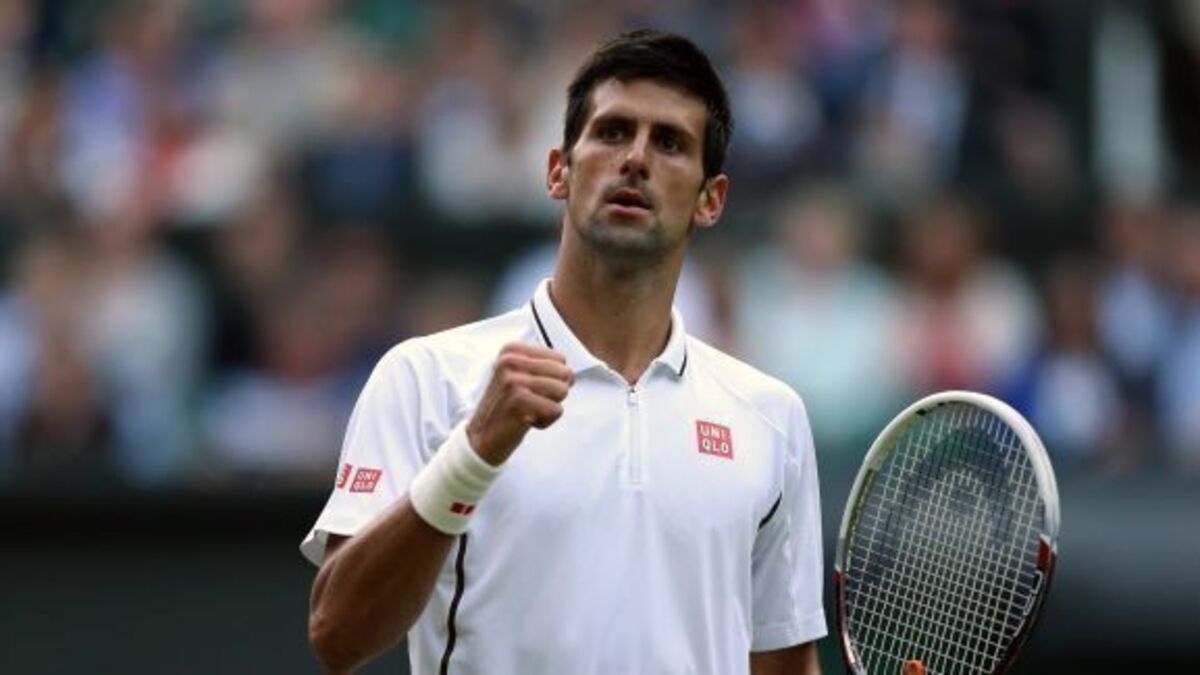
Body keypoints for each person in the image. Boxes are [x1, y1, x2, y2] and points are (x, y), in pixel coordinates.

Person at [301, 30, 827, 675]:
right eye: (612, 132)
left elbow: (784, 663)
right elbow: (338, 634)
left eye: (669, 142)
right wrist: (472, 454)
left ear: (710, 200)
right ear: (559, 171)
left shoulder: (772, 417)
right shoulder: (426, 377)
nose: (635, 159)